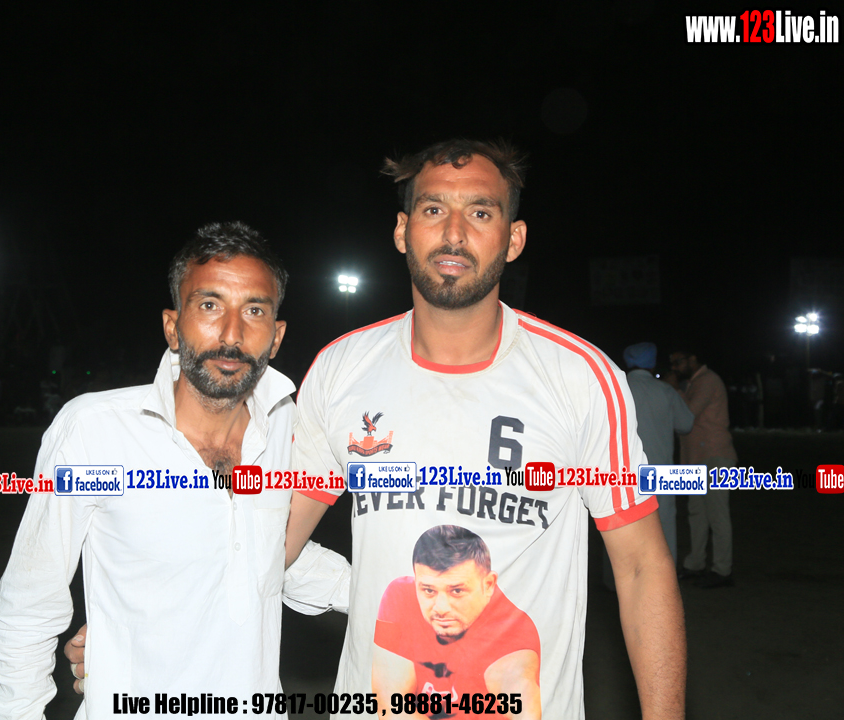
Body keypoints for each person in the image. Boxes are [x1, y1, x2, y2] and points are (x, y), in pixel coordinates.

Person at [283, 139, 686, 719]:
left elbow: (642, 566)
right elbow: (272, 540)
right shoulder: (340, 368)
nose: (454, 234)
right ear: (402, 231)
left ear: (513, 239)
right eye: (433, 209)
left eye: (479, 212)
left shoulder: (580, 376)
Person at [0, 222, 349, 720]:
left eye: (254, 311)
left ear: (277, 336)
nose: (232, 334)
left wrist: (389, 592)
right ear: (172, 327)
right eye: (209, 305)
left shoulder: (284, 425)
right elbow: (27, 609)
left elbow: (262, 552)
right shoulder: (94, 431)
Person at [373, 525, 541, 719]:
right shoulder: (400, 597)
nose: (441, 608)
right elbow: (392, 707)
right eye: (429, 590)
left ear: (488, 585)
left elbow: (522, 704)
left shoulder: (513, 631)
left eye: (457, 591)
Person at [602, 342, 694, 586]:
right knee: (664, 526)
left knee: (619, 523)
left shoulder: (616, 388)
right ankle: (664, 581)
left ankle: (616, 581)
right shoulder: (665, 391)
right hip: (661, 470)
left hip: (622, 469)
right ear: (652, 364)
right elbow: (686, 424)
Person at [669, 349, 737, 589]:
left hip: (714, 455)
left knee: (717, 515)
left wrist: (674, 389)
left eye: (678, 362)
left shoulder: (708, 380)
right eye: (673, 363)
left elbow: (688, 415)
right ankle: (696, 564)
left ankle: (722, 569)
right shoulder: (694, 383)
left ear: (693, 359)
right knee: (697, 514)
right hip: (698, 457)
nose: (675, 367)